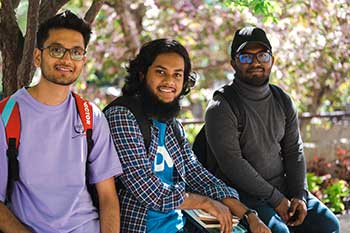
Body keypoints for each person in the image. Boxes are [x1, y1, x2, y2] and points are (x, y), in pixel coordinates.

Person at [104, 38, 271, 233]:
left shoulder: (172, 125)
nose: (169, 81)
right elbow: (149, 191)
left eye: (177, 75)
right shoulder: (123, 116)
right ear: (142, 74)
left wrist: (249, 216)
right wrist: (206, 203)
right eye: (160, 72)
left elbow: (196, 175)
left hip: (178, 227)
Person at [204, 26, 340, 233]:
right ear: (234, 64)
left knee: (328, 225)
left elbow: (294, 150)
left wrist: (299, 196)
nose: (256, 62)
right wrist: (276, 200)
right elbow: (232, 164)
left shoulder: (282, 100)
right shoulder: (222, 107)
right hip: (242, 195)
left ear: (272, 60)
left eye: (262, 55)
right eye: (246, 57)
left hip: (282, 188)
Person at [0, 11, 122, 233]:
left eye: (76, 52)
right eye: (57, 50)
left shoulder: (91, 116)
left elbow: (107, 197)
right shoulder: (6, 115)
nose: (66, 59)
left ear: (83, 60)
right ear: (38, 57)